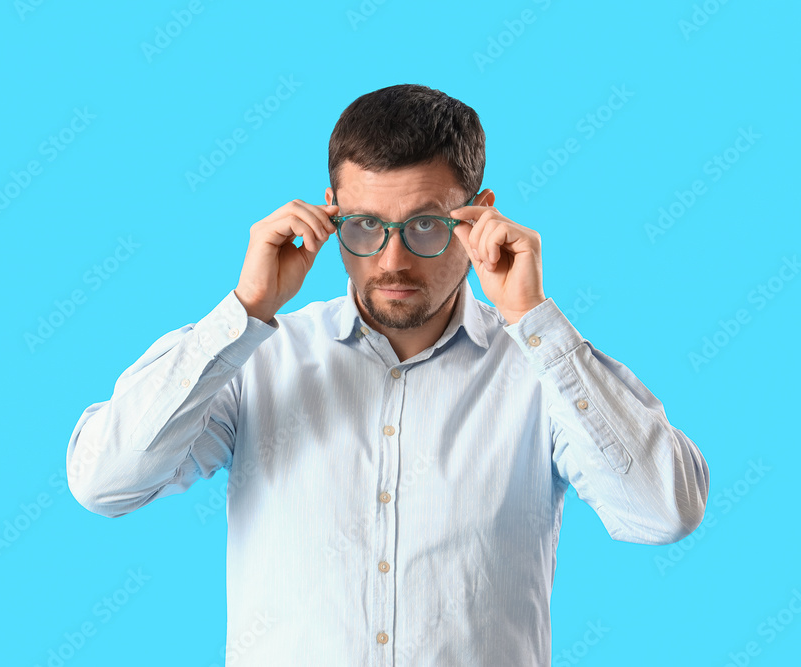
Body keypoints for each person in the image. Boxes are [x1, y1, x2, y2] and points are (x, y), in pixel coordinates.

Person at [66, 83, 709, 665]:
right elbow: (105, 483)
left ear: (480, 216)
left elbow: (664, 513)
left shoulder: (543, 372)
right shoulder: (256, 356)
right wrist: (245, 310)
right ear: (329, 215)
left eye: (426, 224)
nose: (392, 260)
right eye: (365, 226)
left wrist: (532, 320)